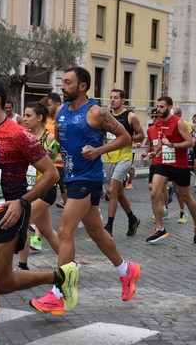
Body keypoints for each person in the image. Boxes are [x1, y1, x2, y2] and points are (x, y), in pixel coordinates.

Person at [0, 75, 77, 344]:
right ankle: (60, 276)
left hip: (10, 214)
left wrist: (22, 202)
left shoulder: (19, 134)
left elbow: (51, 175)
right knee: (3, 283)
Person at [30, 66, 140, 314]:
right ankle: (126, 270)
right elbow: (63, 142)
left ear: (82, 86)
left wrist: (98, 151)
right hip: (71, 177)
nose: (62, 86)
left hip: (87, 178)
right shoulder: (61, 112)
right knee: (95, 230)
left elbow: (125, 137)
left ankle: (59, 292)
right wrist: (53, 153)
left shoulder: (96, 112)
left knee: (64, 230)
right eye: (62, 81)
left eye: (68, 82)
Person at [147, 96, 196, 244]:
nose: (158, 109)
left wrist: (172, 145)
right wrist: (156, 152)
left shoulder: (179, 123)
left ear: (170, 107)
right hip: (164, 164)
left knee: (186, 197)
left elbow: (190, 143)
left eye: (162, 107)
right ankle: (160, 228)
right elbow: (161, 140)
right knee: (154, 192)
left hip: (180, 165)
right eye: (157, 106)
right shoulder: (159, 122)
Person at [15, 100, 61, 270]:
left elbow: (61, 157)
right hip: (29, 188)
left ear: (39, 117)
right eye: (24, 115)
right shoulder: (24, 135)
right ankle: (70, 262)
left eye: (28, 115)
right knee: (47, 231)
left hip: (45, 189)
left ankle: (22, 265)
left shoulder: (49, 137)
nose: (24, 119)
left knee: (23, 223)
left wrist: (51, 155)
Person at [103, 89, 144, 237]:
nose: (112, 100)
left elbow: (141, 135)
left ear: (123, 100)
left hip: (124, 157)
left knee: (112, 190)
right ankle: (132, 219)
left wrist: (126, 139)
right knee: (119, 192)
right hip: (108, 157)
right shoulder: (106, 116)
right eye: (111, 97)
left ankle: (109, 226)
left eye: (116, 98)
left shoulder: (130, 116)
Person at [44, 93, 67, 209]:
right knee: (44, 195)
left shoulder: (63, 120)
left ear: (58, 104)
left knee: (65, 192)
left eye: (49, 105)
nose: (47, 107)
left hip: (61, 163)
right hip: (48, 163)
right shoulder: (45, 120)